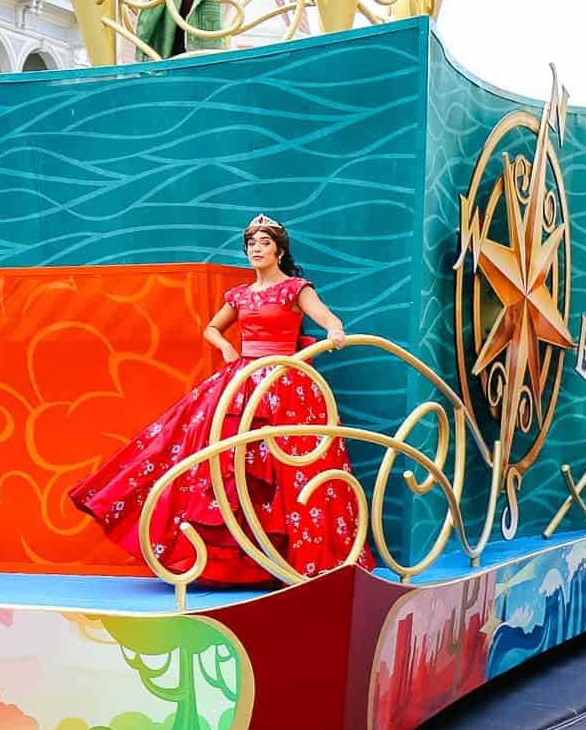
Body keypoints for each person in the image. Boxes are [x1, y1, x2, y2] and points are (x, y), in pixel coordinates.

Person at [69, 214, 371, 584]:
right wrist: (227, 347)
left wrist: (335, 330)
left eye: (263, 243)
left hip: (284, 384)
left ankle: (291, 557)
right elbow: (211, 327)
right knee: (213, 459)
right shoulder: (239, 295)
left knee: (291, 467)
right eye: (251, 244)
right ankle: (228, 563)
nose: (256, 250)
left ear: (279, 249)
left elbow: (326, 317)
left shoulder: (295, 289)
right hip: (241, 383)